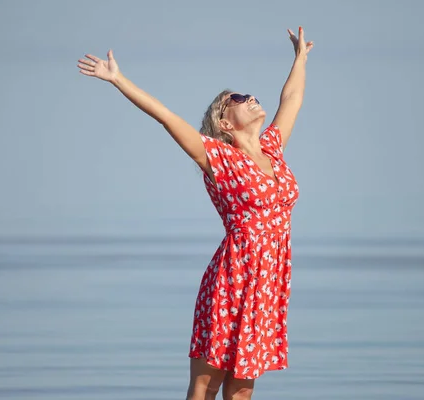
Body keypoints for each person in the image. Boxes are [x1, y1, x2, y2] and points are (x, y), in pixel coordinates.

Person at [77, 26, 313, 400]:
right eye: (238, 98)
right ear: (224, 123)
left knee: (241, 390)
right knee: (207, 385)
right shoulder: (218, 158)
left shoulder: (272, 148)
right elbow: (167, 117)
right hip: (234, 277)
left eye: (250, 94)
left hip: (267, 284)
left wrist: (299, 58)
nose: (250, 97)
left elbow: (292, 100)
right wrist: (118, 80)